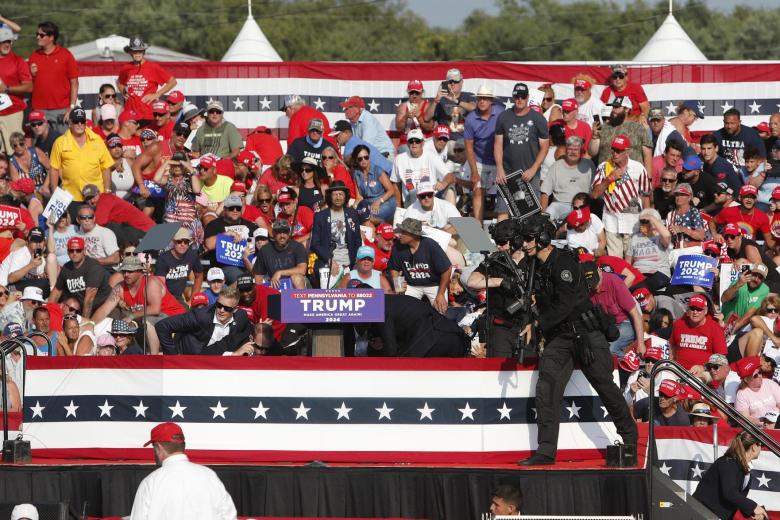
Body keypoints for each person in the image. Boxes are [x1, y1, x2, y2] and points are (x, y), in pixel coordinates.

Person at [517, 214, 636, 465]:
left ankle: (630, 441)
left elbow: (565, 303)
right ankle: (546, 451)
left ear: (544, 239)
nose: (524, 243)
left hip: (586, 334)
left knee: (606, 387)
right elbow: (535, 299)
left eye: (529, 238)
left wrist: (538, 323)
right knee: (546, 388)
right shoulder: (534, 266)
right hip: (559, 336)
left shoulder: (564, 263)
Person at [130, 422, 237, 519]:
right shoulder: (209, 476)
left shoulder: (150, 482)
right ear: (182, 445)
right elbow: (229, 516)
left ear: (158, 447)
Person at [466, 219, 528, 358]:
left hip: (526, 325)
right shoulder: (495, 260)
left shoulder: (531, 260)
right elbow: (472, 281)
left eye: (502, 243)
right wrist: (500, 281)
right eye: (497, 243)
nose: (499, 247)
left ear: (516, 241)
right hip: (501, 326)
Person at [590, 135, 652, 257]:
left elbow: (645, 196)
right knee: (615, 262)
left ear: (627, 151)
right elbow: (594, 194)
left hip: (633, 222)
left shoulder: (638, 168)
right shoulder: (603, 167)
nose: (615, 153)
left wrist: (646, 221)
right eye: (613, 150)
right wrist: (609, 179)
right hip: (611, 221)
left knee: (633, 262)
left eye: (619, 150)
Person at [494, 82, 550, 205]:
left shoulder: (538, 118)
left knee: (531, 213)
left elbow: (545, 147)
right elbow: (498, 144)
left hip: (530, 173)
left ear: (528, 97)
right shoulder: (503, 117)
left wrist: (533, 169)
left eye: (523, 96)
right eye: (517, 96)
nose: (520, 99)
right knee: (503, 211)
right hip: (507, 173)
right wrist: (499, 168)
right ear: (513, 97)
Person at [692, 430, 768, 520]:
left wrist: (754, 512)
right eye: (761, 445)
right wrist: (754, 507)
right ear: (754, 447)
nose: (761, 449)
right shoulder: (728, 463)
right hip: (701, 513)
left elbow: (737, 498)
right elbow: (729, 493)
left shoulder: (745, 470)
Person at [365, 293, 468, 357]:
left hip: (436, 339)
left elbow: (391, 350)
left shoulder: (381, 307)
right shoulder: (388, 301)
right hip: (444, 334)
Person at [155, 287, 251, 355]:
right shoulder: (200, 316)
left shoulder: (241, 316)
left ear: (235, 309)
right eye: (219, 305)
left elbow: (247, 334)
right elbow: (162, 326)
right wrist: (173, 357)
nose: (221, 310)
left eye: (227, 308)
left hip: (217, 363)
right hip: (190, 361)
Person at [49, 108, 114, 201]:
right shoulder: (60, 142)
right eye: (76, 121)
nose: (80, 124)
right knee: (52, 216)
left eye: (82, 121)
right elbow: (54, 169)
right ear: (70, 123)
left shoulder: (97, 140)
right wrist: (55, 192)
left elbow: (106, 167)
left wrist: (107, 191)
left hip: (95, 196)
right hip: (69, 197)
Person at [388, 217, 451, 314]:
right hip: (411, 285)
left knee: (441, 311)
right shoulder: (397, 246)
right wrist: (398, 285)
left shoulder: (430, 245)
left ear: (414, 235)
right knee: (402, 312)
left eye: (404, 232)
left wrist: (441, 294)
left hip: (434, 284)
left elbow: (446, 269)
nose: (400, 234)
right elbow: (393, 268)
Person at [463, 85, 502, 222]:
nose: (482, 101)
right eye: (480, 98)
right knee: (478, 192)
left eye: (485, 98)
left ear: (491, 100)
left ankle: (504, 230)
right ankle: (478, 232)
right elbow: (468, 147)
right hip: (479, 159)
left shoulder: (501, 113)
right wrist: (474, 171)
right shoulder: (470, 119)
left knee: (504, 194)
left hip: (499, 160)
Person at [49, 236, 111, 318]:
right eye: (71, 250)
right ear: (68, 252)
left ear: (84, 251)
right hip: (81, 309)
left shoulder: (93, 267)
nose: (74, 253)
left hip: (103, 308)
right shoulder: (66, 268)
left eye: (78, 250)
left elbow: (89, 299)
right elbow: (56, 293)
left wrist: (83, 323)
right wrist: (48, 314)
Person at [117, 36, 177, 121]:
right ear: (130, 52)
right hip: (130, 114)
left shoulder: (153, 67)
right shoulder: (126, 68)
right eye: (134, 51)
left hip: (147, 114)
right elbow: (119, 82)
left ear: (144, 51)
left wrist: (157, 94)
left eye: (140, 51)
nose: (137, 54)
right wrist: (123, 92)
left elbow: (173, 81)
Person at [203, 194, 257, 283]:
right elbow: (209, 244)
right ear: (224, 209)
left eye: (238, 208)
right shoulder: (214, 225)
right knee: (242, 279)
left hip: (249, 265)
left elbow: (263, 244)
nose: (235, 211)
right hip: (224, 267)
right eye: (231, 208)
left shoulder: (250, 226)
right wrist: (226, 234)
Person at [670, 294, 728, 373]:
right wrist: (671, 363)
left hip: (704, 372)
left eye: (699, 309)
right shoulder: (679, 324)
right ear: (688, 310)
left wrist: (703, 367)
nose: (695, 312)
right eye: (692, 308)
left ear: (706, 311)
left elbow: (721, 358)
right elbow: (672, 346)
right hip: (679, 370)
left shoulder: (715, 328)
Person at [541, 137, 595, 221]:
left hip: (581, 205)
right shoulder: (556, 166)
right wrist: (543, 214)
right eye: (570, 149)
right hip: (559, 204)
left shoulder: (589, 165)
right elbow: (545, 192)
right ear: (566, 150)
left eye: (576, 149)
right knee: (548, 215)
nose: (573, 152)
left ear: (581, 150)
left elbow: (594, 190)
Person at [0, 27, 32, 156]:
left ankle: (20, 177)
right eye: (3, 41)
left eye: (9, 41)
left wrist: (7, 88)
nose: (7, 44)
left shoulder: (18, 61)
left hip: (12, 113)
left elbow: (29, 87)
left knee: (16, 153)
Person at [252, 219, 308, 289]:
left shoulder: (297, 247)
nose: (282, 235)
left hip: (295, 284)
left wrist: (280, 272)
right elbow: (258, 275)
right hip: (275, 284)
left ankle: (299, 299)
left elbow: (302, 270)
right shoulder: (265, 250)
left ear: (289, 233)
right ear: (273, 233)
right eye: (278, 232)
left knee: (296, 277)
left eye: (285, 232)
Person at [155, 227, 204, 304]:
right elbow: (160, 287)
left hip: (178, 298)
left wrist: (192, 300)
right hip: (163, 298)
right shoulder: (163, 258)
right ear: (173, 242)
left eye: (186, 242)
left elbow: (199, 276)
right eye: (179, 241)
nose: (183, 244)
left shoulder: (192, 255)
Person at [424, 68, 476, 139]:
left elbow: (474, 107)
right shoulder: (441, 99)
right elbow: (426, 118)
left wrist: (457, 101)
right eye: (450, 81)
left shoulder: (468, 96)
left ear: (461, 82)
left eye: (455, 81)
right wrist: (436, 100)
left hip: (464, 139)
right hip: (445, 140)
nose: (452, 84)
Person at [351, 145, 396, 224]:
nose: (363, 160)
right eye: (360, 158)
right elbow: (359, 197)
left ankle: (382, 226)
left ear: (369, 157)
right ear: (356, 160)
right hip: (368, 205)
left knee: (366, 216)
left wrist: (379, 201)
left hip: (385, 201)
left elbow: (391, 190)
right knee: (354, 215)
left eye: (366, 157)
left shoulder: (377, 170)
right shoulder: (356, 173)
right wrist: (353, 209)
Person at [734, 355, 780, 425]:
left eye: (760, 372)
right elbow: (744, 419)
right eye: (755, 376)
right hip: (758, 429)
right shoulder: (742, 394)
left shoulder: (770, 383)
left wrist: (775, 422)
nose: (760, 376)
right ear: (746, 380)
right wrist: (764, 423)